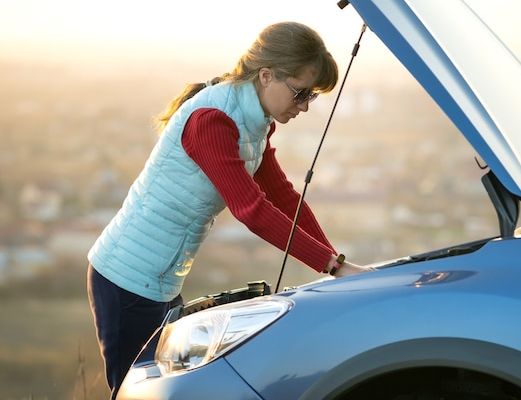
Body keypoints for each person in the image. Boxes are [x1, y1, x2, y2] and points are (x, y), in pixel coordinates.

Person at [87, 21, 373, 399]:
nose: (304, 106)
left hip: (160, 281)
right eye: (300, 93)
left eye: (312, 97)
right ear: (267, 75)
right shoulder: (212, 121)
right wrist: (333, 267)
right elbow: (251, 209)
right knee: (137, 393)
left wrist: (337, 263)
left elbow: (284, 199)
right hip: (126, 280)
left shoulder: (255, 123)